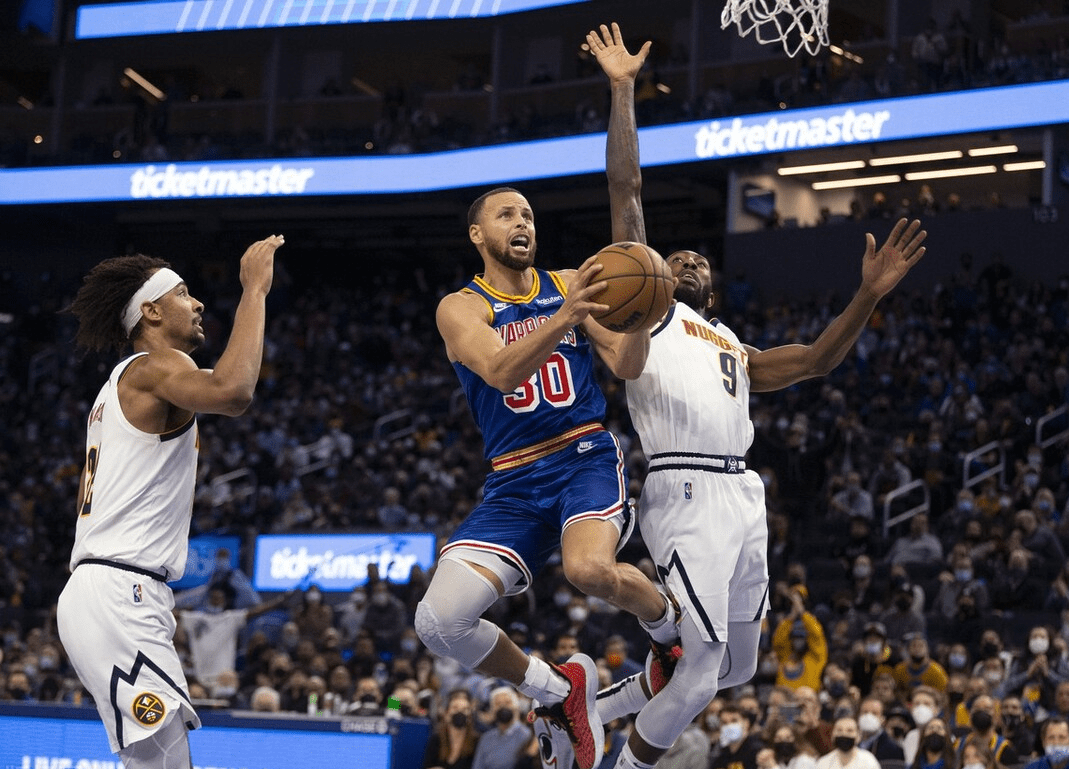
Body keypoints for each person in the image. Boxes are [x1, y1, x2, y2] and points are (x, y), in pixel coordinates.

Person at [580, 21, 927, 769]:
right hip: (686, 487)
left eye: (698, 256)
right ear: (655, 274)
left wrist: (866, 296)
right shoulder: (650, 309)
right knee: (701, 666)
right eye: (676, 257)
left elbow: (818, 361)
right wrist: (621, 89)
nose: (690, 258)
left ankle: (596, 705)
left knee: (734, 667)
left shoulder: (731, 343)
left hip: (743, 494)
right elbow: (626, 190)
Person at [415, 156, 677, 769]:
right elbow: (503, 371)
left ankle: (669, 632)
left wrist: (636, 317)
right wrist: (565, 316)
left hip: (584, 453)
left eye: (528, 214)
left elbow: (628, 366)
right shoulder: (460, 306)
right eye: (506, 214)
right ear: (478, 235)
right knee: (439, 622)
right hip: (512, 479)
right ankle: (559, 691)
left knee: (588, 571)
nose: (522, 222)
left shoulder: (570, 282)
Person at [56, 235, 283, 766]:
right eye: (184, 294)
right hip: (117, 589)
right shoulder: (154, 367)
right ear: (151, 312)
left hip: (120, 590)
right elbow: (233, 391)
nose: (199, 302)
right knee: (165, 760)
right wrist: (255, 290)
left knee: (156, 762)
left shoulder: (124, 384)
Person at [471, 686, 534, 769]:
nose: (503, 706)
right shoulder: (486, 738)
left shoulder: (527, 736)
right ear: (492, 710)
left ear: (516, 706)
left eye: (507, 702)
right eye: (498, 704)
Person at [424, 688, 480, 769]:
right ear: (446, 714)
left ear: (470, 716)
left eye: (465, 709)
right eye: (455, 708)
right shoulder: (436, 739)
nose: (460, 712)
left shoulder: (477, 742)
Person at [815, 716, 880, 769]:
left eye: (850, 731)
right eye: (839, 730)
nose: (844, 734)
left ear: (858, 736)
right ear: (832, 735)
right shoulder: (823, 763)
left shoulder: (868, 761)